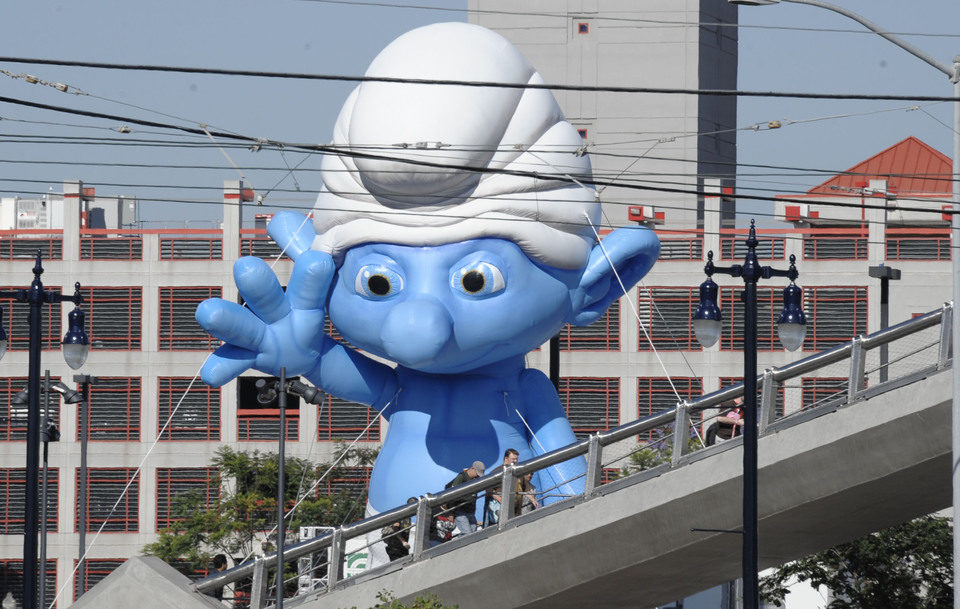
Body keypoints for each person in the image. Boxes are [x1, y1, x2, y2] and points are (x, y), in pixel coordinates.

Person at [444, 460, 485, 536]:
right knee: (467, 534)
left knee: (473, 533)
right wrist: (451, 513)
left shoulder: (475, 479)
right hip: (460, 511)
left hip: (470, 512)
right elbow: (451, 495)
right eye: (477, 473)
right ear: (472, 468)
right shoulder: (461, 477)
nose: (478, 476)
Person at [484, 448, 519, 526]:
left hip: (512, 505)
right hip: (498, 504)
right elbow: (488, 488)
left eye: (517, 459)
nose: (515, 461)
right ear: (506, 458)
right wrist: (499, 498)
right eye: (513, 459)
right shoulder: (497, 471)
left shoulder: (516, 471)